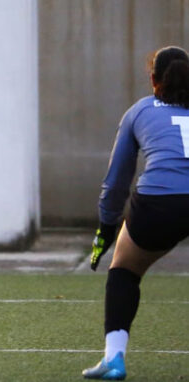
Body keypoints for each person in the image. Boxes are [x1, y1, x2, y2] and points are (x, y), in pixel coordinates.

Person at [84, 46, 189, 379]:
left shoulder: (141, 110)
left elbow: (116, 182)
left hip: (159, 203)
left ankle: (114, 359)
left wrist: (105, 228)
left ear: (153, 79)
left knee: (124, 272)